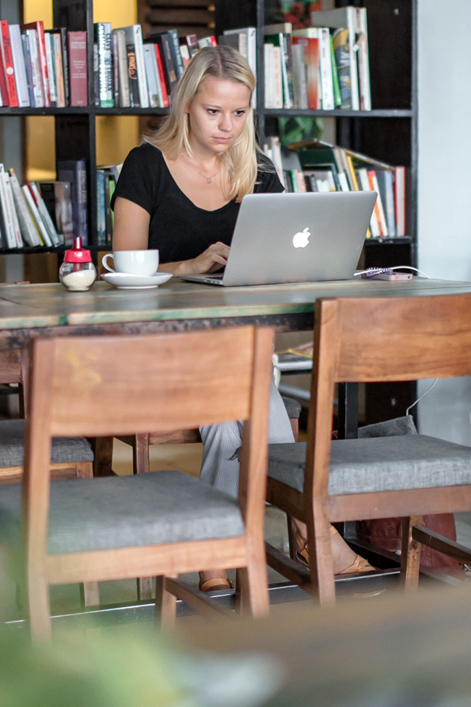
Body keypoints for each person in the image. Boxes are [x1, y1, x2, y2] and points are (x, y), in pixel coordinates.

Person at [111, 45, 372, 590]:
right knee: (251, 379)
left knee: (237, 394)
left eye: (238, 112)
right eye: (213, 112)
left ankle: (216, 554)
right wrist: (190, 265)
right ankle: (310, 529)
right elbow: (125, 278)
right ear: (187, 105)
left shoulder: (257, 170)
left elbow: (284, 253)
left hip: (237, 345)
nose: (227, 125)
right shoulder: (145, 166)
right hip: (161, 345)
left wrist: (297, 267)